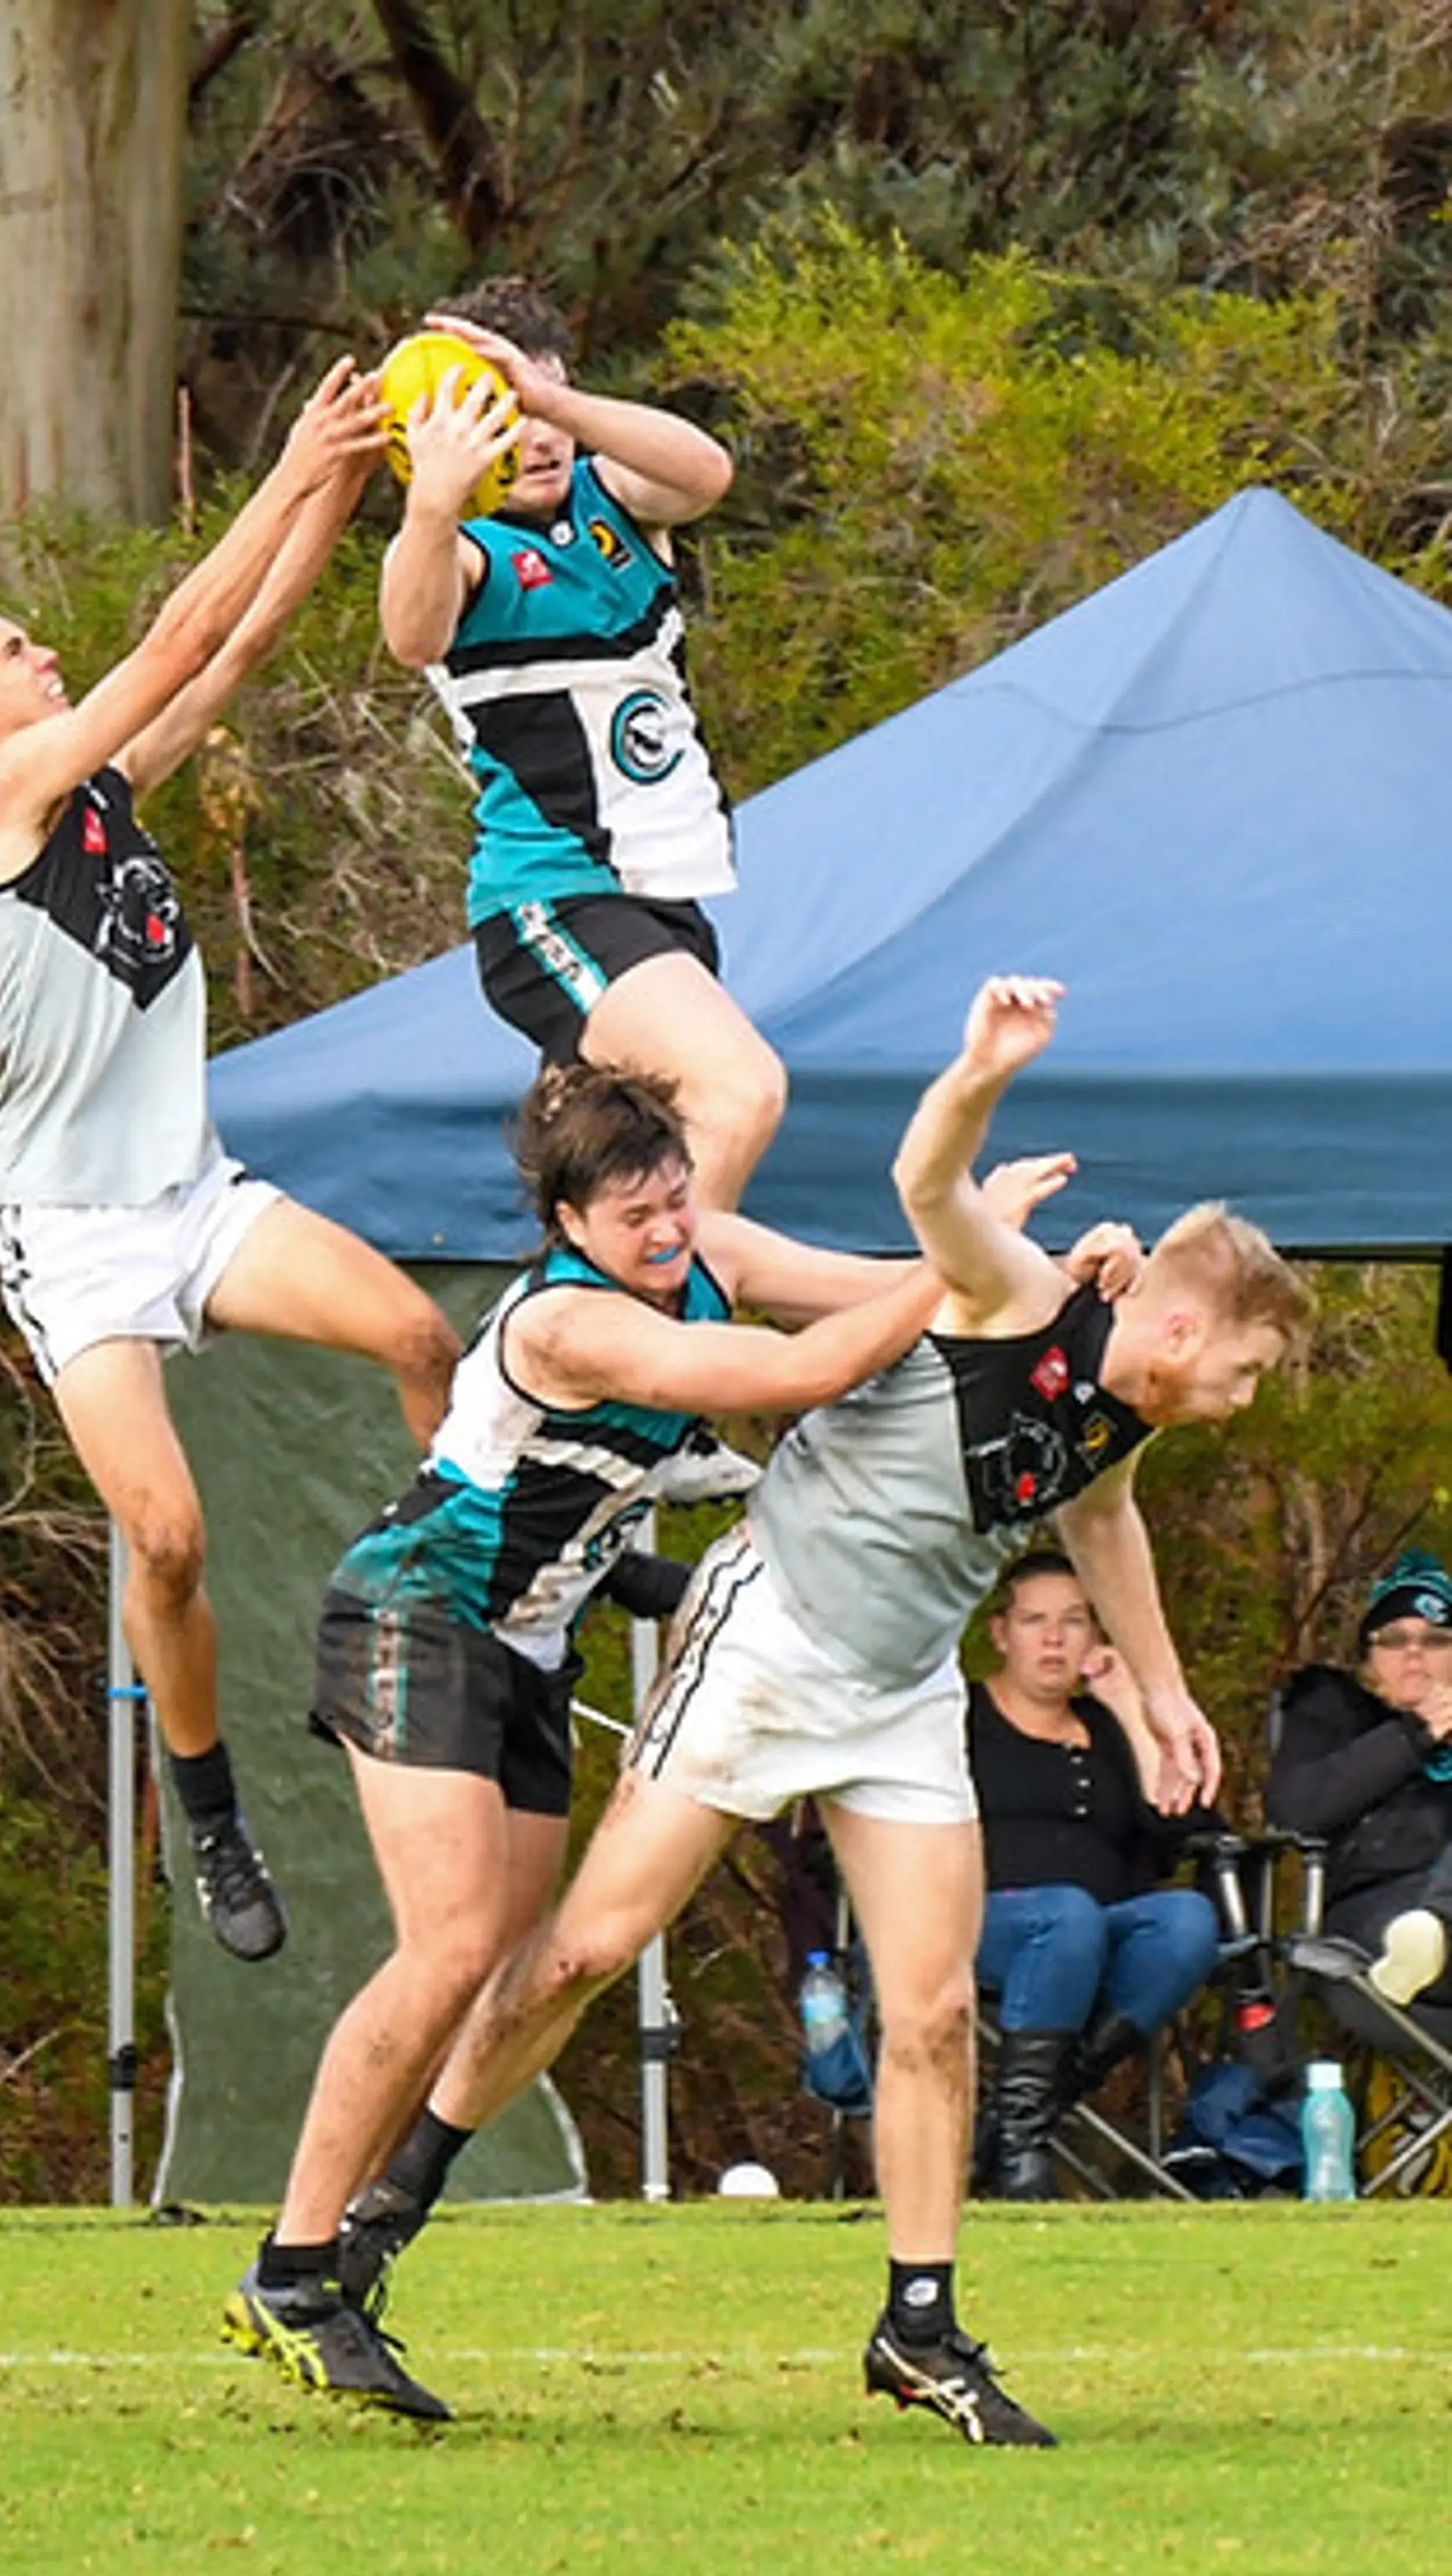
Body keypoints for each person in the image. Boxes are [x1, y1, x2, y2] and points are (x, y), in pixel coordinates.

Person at [337, 975, 1311, 2448]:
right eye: (1239, 1371)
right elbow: (925, 1180)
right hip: (768, 1638)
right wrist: (981, 1068)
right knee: (585, 1952)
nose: (1239, 1400)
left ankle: (917, 2325)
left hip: (903, 1686)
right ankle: (379, 2216)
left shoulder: (1120, 1402)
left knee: (926, 2010)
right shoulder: (1021, 1298)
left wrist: (1164, 1695)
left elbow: (1099, 1514)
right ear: (1180, 1325)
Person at [220, 1059, 1085, 2419]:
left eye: (679, 1198)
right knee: (447, 1946)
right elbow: (806, 1367)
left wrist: (1028, 1282)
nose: (672, 1229)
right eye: (637, 1215)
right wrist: (970, 1236)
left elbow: (885, 1304)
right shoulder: (568, 1324)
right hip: (416, 1617)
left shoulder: (706, 1247)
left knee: (520, 1962)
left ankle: (363, 2230)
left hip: (529, 1651)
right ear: (569, 1224)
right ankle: (296, 2262)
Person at [0, 360, 458, 1966]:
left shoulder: (99, 789)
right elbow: (178, 638)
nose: (40, 652)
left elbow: (245, 642)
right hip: (73, 1240)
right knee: (174, 1538)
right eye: (12, 652)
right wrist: (285, 460)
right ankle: (207, 1815)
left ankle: (466, 1596)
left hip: (193, 1201)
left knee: (422, 1338)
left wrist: (352, 474)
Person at [378, 275, 786, 1215]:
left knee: (615, 1179)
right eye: (500, 415)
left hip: (662, 896)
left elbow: (705, 473)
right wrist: (430, 504)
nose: (534, 436)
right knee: (740, 1092)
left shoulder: (617, 498)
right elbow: (411, 634)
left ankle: (583, 1341)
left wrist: (545, 395)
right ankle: (678, 1333)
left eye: (541, 406)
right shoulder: (467, 547)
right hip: (553, 900)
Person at [969, 1547, 1223, 2201]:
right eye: (1034, 1620)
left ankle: (1016, 2121)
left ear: (1097, 1636)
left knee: (1188, 1918)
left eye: (1075, 1621)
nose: (1054, 1639)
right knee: (1066, 1913)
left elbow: (1187, 1827)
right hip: (979, 1923)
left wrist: (1131, 1709)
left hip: (1099, 1931)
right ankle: (1022, 2148)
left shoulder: (1109, 1727)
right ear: (1001, 1632)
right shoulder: (960, 1720)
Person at [1267, 1547, 1452, 2032]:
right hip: (1376, 1923)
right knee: (1412, 1934)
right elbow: (1295, 1810)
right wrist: (1414, 1735)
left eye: (1435, 1639)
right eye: (1394, 1639)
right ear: (1368, 1657)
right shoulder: (1334, 1711)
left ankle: (1441, 1931)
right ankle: (1431, 1937)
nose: (1414, 1652)